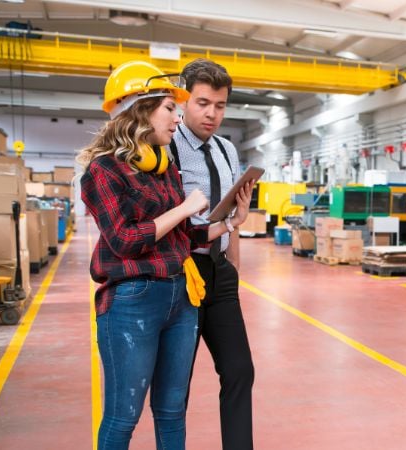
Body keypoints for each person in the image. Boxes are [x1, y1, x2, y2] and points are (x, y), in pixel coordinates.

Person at [78, 60, 252, 450]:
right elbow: (124, 239)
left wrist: (229, 224)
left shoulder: (163, 167)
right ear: (139, 110)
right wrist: (186, 207)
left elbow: (185, 234)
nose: (178, 116)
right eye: (170, 108)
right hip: (134, 299)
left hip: (180, 291)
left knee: (173, 410)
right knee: (124, 416)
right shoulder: (105, 171)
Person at [171, 58, 256, 449]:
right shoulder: (167, 145)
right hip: (181, 274)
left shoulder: (225, 149)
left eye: (220, 106)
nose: (212, 114)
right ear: (184, 100)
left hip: (220, 273)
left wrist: (233, 265)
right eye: (202, 103)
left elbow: (233, 211)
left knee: (240, 370)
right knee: (177, 383)